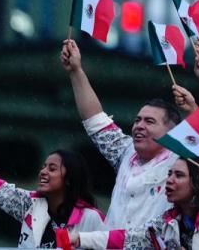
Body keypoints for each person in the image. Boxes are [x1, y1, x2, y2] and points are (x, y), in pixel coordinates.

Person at [61, 39, 180, 228]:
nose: (139, 126)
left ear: (172, 133)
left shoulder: (181, 163)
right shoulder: (126, 152)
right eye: (137, 120)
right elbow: (96, 122)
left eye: (149, 121)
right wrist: (76, 72)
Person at [0, 135, 104, 248]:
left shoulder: (91, 218)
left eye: (52, 169)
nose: (43, 172)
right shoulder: (29, 204)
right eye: (43, 167)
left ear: (69, 179)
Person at [71, 157, 199, 250]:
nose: (169, 180)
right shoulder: (169, 221)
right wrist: (80, 239)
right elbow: (130, 239)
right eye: (169, 174)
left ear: (198, 182)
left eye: (178, 175)